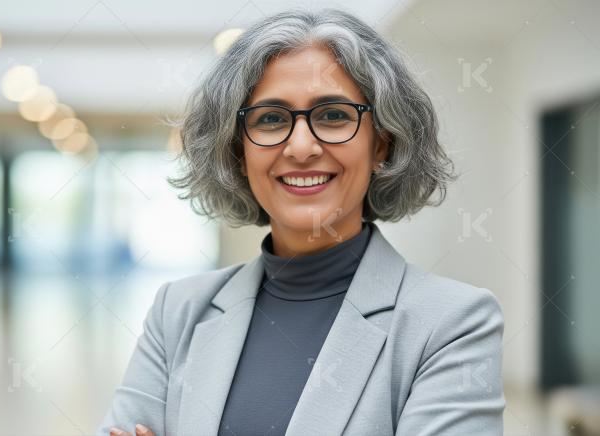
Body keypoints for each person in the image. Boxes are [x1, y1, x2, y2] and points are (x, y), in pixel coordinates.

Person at [98, 7, 504, 436]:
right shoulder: (176, 312)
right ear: (238, 152)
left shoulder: (453, 324)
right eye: (271, 118)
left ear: (381, 144)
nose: (302, 146)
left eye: (333, 115)